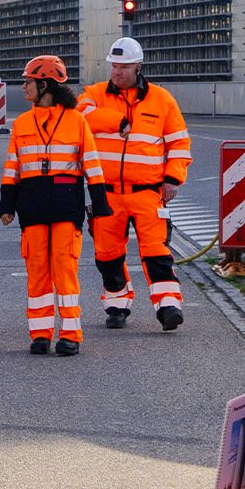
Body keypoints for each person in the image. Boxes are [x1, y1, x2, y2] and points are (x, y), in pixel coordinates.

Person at [84, 36, 192, 330]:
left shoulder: (162, 99)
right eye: (114, 66)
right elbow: (81, 116)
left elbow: (179, 143)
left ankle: (169, 306)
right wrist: (116, 121)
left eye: (124, 67)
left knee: (156, 252)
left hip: (148, 192)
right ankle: (117, 305)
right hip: (106, 193)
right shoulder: (94, 94)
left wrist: (172, 179)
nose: (117, 72)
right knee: (107, 255)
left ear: (138, 67)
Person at [0, 55, 94, 356]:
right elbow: (13, 167)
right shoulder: (23, 123)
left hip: (66, 204)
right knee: (37, 269)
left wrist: (100, 206)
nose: (23, 86)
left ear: (44, 85)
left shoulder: (76, 121)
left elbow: (91, 164)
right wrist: (6, 205)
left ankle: (70, 335)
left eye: (27, 81)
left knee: (65, 268)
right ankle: (40, 334)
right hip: (33, 205)